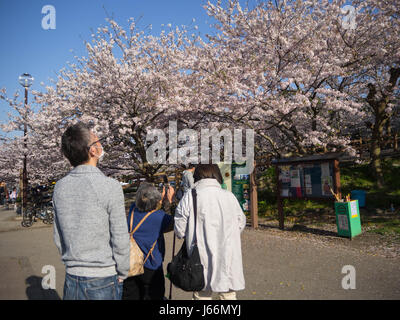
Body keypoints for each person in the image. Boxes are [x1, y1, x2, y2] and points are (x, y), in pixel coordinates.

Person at [52, 122, 130, 300]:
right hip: (104, 277)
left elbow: (58, 235)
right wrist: (123, 270)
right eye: (98, 140)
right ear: (92, 150)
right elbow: (120, 236)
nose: (101, 144)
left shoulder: (60, 188)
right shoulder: (110, 186)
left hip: (72, 277)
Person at [174, 164, 246, 300]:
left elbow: (180, 230)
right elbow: (240, 222)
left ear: (197, 176)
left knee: (202, 293)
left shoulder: (190, 196)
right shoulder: (229, 196)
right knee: (228, 293)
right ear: (217, 175)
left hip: (200, 256)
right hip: (228, 252)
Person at [122, 182, 174, 300]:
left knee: (131, 295)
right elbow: (172, 224)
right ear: (156, 200)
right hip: (151, 265)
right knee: (154, 295)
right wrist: (168, 201)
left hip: (131, 263)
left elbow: (147, 206)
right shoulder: (160, 217)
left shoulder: (133, 209)